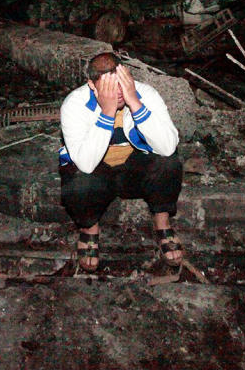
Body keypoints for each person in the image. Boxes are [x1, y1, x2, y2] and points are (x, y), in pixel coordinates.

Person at [58, 52, 183, 272]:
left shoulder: (145, 94)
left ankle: (162, 222)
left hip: (133, 171)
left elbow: (168, 146)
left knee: (168, 162)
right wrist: (106, 112)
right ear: (92, 86)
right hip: (97, 173)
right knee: (77, 179)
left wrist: (134, 102)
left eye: (120, 84)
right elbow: (86, 164)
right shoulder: (74, 104)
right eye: (107, 87)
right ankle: (89, 228)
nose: (117, 93)